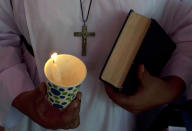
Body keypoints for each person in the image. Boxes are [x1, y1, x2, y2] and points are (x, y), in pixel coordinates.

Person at [0, 0, 192, 131]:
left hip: (127, 113)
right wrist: (20, 94)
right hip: (36, 103)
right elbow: (3, 32)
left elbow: (187, 28)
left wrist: (170, 87)